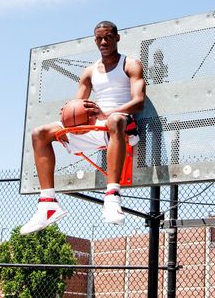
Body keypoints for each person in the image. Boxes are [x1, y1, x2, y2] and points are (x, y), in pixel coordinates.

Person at [20, 21, 146, 235]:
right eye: (99, 38)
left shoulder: (130, 65)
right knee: (40, 134)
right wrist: (71, 110)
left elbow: (139, 101)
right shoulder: (89, 72)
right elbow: (78, 104)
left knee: (116, 119)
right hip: (96, 125)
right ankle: (47, 204)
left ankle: (112, 197)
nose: (103, 42)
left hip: (120, 124)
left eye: (107, 37)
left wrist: (105, 114)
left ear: (117, 37)